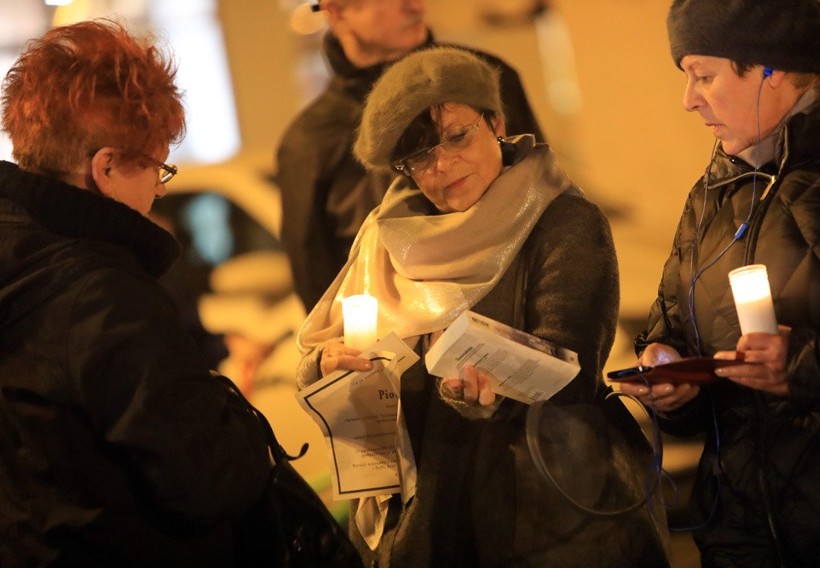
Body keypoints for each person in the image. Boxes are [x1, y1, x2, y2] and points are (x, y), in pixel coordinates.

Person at [296, 46, 669, 567]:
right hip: (427, 508)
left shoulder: (561, 220)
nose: (444, 165)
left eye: (457, 136)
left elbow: (571, 370)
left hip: (542, 516)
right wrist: (328, 365)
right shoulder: (384, 239)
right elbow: (321, 348)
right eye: (420, 156)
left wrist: (488, 394)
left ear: (495, 121)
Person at [0, 20, 285, 566]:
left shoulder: (22, 263)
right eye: (156, 167)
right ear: (105, 167)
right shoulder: (105, 298)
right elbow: (208, 481)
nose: (159, 187)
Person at [617, 1, 820, 566]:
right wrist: (672, 381)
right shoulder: (717, 188)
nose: (689, 99)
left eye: (704, 75)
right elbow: (674, 326)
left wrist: (799, 366)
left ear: (771, 69)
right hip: (739, 526)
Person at [275, 0, 543, 312]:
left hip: (517, 319)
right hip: (392, 343)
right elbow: (318, 288)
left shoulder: (488, 80)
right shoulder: (309, 142)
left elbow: (541, 192)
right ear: (337, 12)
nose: (416, 6)